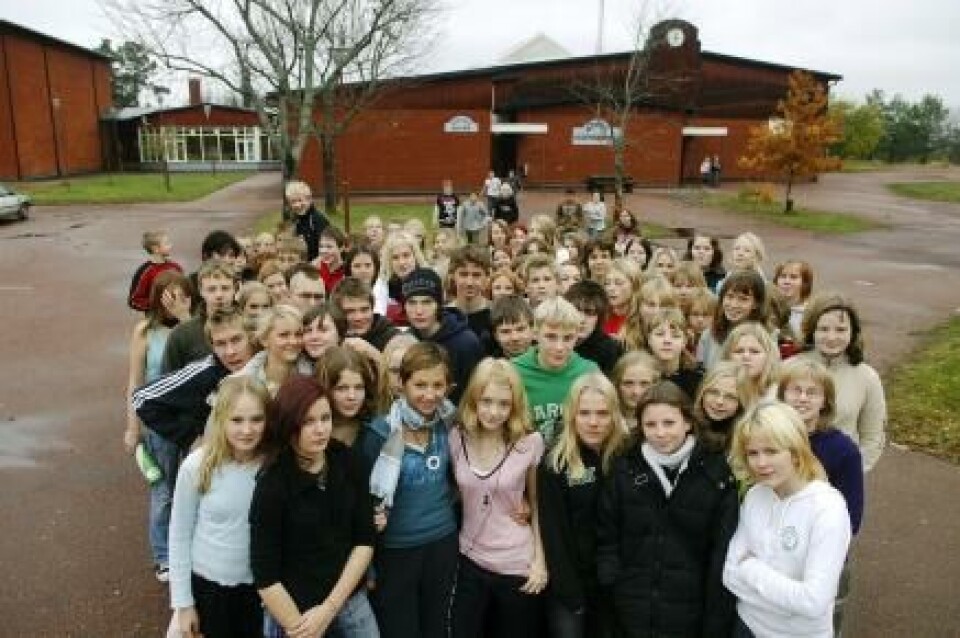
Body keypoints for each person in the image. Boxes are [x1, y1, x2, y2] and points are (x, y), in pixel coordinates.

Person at [597, 381, 738, 638]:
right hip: (631, 607)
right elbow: (607, 537)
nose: (660, 433)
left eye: (669, 423)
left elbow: (721, 549)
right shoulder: (624, 468)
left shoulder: (716, 472)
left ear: (688, 422)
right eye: (650, 425)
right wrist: (612, 584)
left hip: (690, 610)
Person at [251, 375, 378, 638]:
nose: (320, 429)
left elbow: (364, 541)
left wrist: (330, 609)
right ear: (288, 425)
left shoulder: (350, 462)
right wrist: (302, 628)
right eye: (307, 421)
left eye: (325, 418)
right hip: (293, 610)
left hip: (348, 599)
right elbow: (265, 576)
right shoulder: (272, 484)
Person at [723, 402, 852, 638]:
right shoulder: (755, 495)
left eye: (771, 451)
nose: (761, 463)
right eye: (753, 453)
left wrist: (751, 568)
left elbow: (813, 602)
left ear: (795, 451)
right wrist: (788, 599)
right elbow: (730, 574)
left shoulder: (827, 508)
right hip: (746, 627)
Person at [362, 342, 459, 638]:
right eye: (420, 385)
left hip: (441, 543)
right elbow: (365, 502)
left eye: (438, 385)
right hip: (396, 551)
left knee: (436, 627)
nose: (430, 395)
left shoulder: (451, 424)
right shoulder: (380, 432)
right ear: (402, 384)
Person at [449, 358, 548, 637]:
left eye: (504, 404)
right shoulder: (456, 437)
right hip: (468, 559)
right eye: (487, 401)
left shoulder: (529, 443)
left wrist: (540, 562)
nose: (494, 412)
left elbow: (538, 505)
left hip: (516, 564)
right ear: (473, 399)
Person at [168, 376, 272, 638]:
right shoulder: (197, 466)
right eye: (237, 420)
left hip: (259, 592)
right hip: (208, 588)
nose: (247, 430)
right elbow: (179, 534)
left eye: (257, 419)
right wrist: (183, 603)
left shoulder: (274, 467)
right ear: (221, 418)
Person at [778, 358, 864, 636]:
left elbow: (851, 518)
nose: (802, 398)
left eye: (812, 392)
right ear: (782, 395)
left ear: (825, 401)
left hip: (819, 557)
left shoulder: (842, 450)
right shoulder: (769, 438)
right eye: (795, 390)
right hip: (774, 550)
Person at [538, 372, 627, 638]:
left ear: (614, 414)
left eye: (602, 413)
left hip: (615, 580)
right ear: (571, 415)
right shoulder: (556, 462)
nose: (593, 422)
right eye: (584, 413)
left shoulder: (626, 457)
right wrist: (570, 593)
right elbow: (554, 532)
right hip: (570, 583)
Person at [124, 271, 192, 582]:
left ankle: (189, 548)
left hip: (191, 420)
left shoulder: (194, 327)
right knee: (163, 490)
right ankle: (163, 555)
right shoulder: (144, 331)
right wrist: (132, 428)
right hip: (159, 423)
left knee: (192, 487)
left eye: (180, 294)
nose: (173, 301)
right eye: (168, 295)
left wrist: (185, 317)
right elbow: (135, 383)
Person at [797, 293, 886, 471]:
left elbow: (873, 437)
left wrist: (853, 471)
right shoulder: (789, 368)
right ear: (811, 330)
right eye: (823, 329)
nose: (831, 338)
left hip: (839, 476)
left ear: (852, 332)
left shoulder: (867, 377)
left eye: (840, 330)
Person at [513, 297, 599, 444]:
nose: (559, 347)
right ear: (535, 333)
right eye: (551, 337)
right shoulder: (514, 371)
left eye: (568, 338)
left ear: (577, 336)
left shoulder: (589, 371)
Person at [403, 267, 483, 404]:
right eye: (412, 302)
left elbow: (475, 394)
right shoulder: (405, 340)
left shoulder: (466, 343)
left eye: (427, 302)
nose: (419, 311)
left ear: (438, 304)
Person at [163, 260, 238, 373]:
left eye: (225, 288)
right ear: (201, 291)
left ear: (235, 289)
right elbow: (168, 379)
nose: (219, 295)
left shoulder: (249, 326)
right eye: (211, 289)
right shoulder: (181, 334)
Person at [697, 270, 767, 370]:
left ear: (756, 303)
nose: (734, 305)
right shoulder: (709, 335)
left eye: (743, 299)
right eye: (729, 296)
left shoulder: (766, 338)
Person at [237, 305, 306, 397]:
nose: (293, 341)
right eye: (284, 335)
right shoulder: (241, 383)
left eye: (298, 334)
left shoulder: (316, 374)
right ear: (264, 340)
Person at [564, 280, 623, 375]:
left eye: (589, 313)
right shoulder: (553, 341)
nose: (582, 319)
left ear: (599, 318)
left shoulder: (609, 350)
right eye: (576, 311)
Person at [644, 308, 704, 400]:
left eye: (675, 336)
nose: (667, 341)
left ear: (684, 341)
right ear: (649, 339)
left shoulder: (698, 378)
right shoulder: (639, 375)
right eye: (660, 334)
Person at [693, 361, 752, 454]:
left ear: (741, 402)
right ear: (702, 392)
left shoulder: (747, 437)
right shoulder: (685, 426)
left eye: (730, 397)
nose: (719, 401)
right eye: (713, 392)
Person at [331, 277, 401, 352]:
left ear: (372, 308)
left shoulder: (392, 337)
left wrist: (372, 353)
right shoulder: (329, 338)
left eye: (364, 310)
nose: (359, 317)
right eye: (350, 311)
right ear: (337, 312)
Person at [720, 322, 781, 404]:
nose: (746, 356)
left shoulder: (779, 394)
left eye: (754, 351)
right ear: (727, 356)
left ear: (768, 357)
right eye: (739, 351)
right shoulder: (717, 391)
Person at [128, 230, 184, 312]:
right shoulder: (144, 271)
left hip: (176, 314)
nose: (171, 246)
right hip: (155, 318)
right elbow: (134, 301)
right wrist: (157, 306)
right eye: (167, 244)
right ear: (156, 249)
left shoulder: (176, 267)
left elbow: (184, 289)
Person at [379, 231, 427, 327]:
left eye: (406, 255)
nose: (401, 262)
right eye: (395, 257)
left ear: (415, 257)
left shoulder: (427, 282)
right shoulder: (384, 286)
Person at [447, 245, 493, 341]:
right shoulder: (443, 316)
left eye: (476, 275)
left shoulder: (496, 314)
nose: (469, 282)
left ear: (487, 277)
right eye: (463, 274)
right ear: (452, 275)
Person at [286, 180, 337, 261]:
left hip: (319, 263)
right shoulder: (295, 220)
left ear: (309, 199)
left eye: (300, 200)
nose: (297, 205)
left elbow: (326, 248)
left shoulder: (317, 219)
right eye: (293, 202)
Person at [611, 351, 660, 432]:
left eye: (644, 384)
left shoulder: (664, 421)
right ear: (616, 384)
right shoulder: (606, 420)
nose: (636, 392)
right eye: (628, 383)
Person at [486, 294, 535, 359]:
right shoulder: (492, 366)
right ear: (496, 335)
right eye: (505, 332)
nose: (515, 338)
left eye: (520, 329)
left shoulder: (548, 362)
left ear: (532, 329)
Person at [602, 258, 642, 337]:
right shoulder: (599, 315)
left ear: (634, 286)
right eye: (607, 283)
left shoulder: (642, 318)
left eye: (618, 283)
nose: (610, 288)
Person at [774, 260, 814, 337]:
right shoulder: (768, 309)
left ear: (805, 283)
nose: (786, 281)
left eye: (793, 277)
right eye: (783, 276)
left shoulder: (810, 314)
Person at [314, 230, 347, 294]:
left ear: (341, 248)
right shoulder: (316, 267)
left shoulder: (346, 270)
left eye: (329, 247)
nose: (324, 251)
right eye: (321, 246)